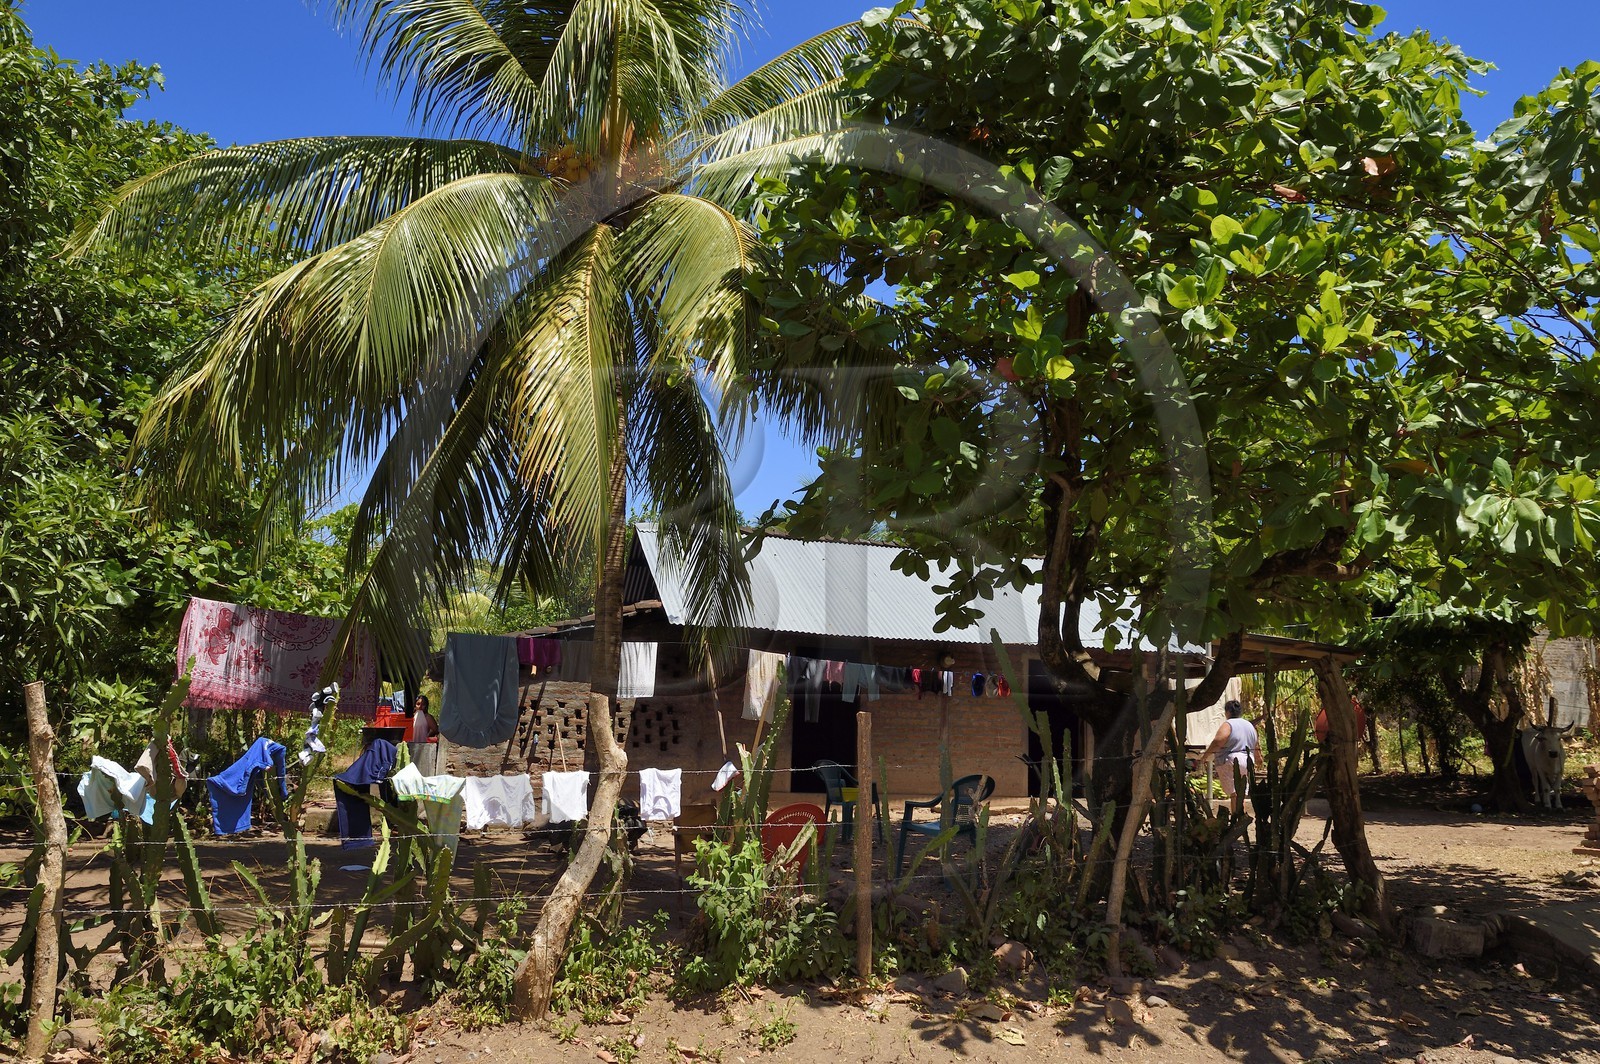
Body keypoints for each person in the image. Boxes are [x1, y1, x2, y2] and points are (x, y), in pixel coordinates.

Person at [1199, 699, 1258, 811]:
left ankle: (1237, 817)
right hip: (1248, 760)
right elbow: (1255, 743)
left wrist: (1205, 756)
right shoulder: (1250, 726)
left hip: (1231, 760)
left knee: (1234, 794)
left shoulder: (1228, 724)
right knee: (1240, 794)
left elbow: (1218, 741)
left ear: (1227, 712)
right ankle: (1239, 816)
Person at [410, 693, 438, 775]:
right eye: (418, 704)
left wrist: (427, 736)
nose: (420, 706)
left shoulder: (427, 717)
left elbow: (435, 729)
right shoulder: (412, 716)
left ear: (426, 706)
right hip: (411, 744)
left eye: (423, 705)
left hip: (423, 746)